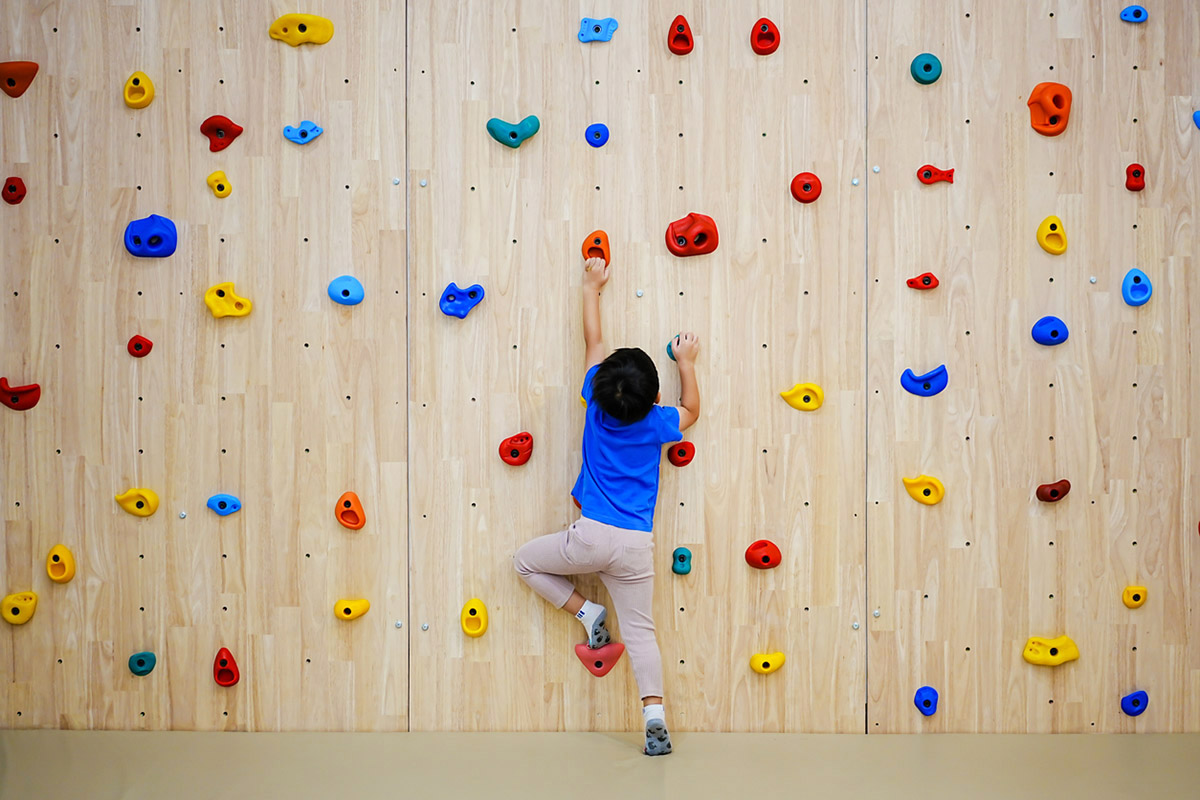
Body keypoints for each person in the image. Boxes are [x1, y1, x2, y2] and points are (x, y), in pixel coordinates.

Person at [513, 254, 700, 756]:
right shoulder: (659, 422)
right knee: (642, 634)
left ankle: (585, 610)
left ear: (598, 389)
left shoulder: (594, 405)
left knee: (524, 562)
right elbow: (692, 411)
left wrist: (591, 285)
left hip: (591, 536)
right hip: (636, 545)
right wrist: (686, 363)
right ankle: (654, 714)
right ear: (653, 396)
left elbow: (593, 341)